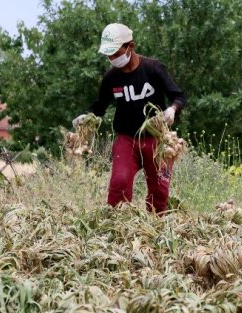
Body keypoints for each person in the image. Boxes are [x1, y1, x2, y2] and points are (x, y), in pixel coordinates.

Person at [72, 23, 187, 213]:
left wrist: (172, 110)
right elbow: (100, 106)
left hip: (156, 141)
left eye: (116, 54)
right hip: (127, 139)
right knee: (120, 181)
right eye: (109, 55)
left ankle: (155, 227)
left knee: (159, 189)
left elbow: (179, 96)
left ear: (130, 47)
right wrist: (86, 116)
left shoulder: (153, 68)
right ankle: (117, 224)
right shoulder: (111, 78)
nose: (112, 59)